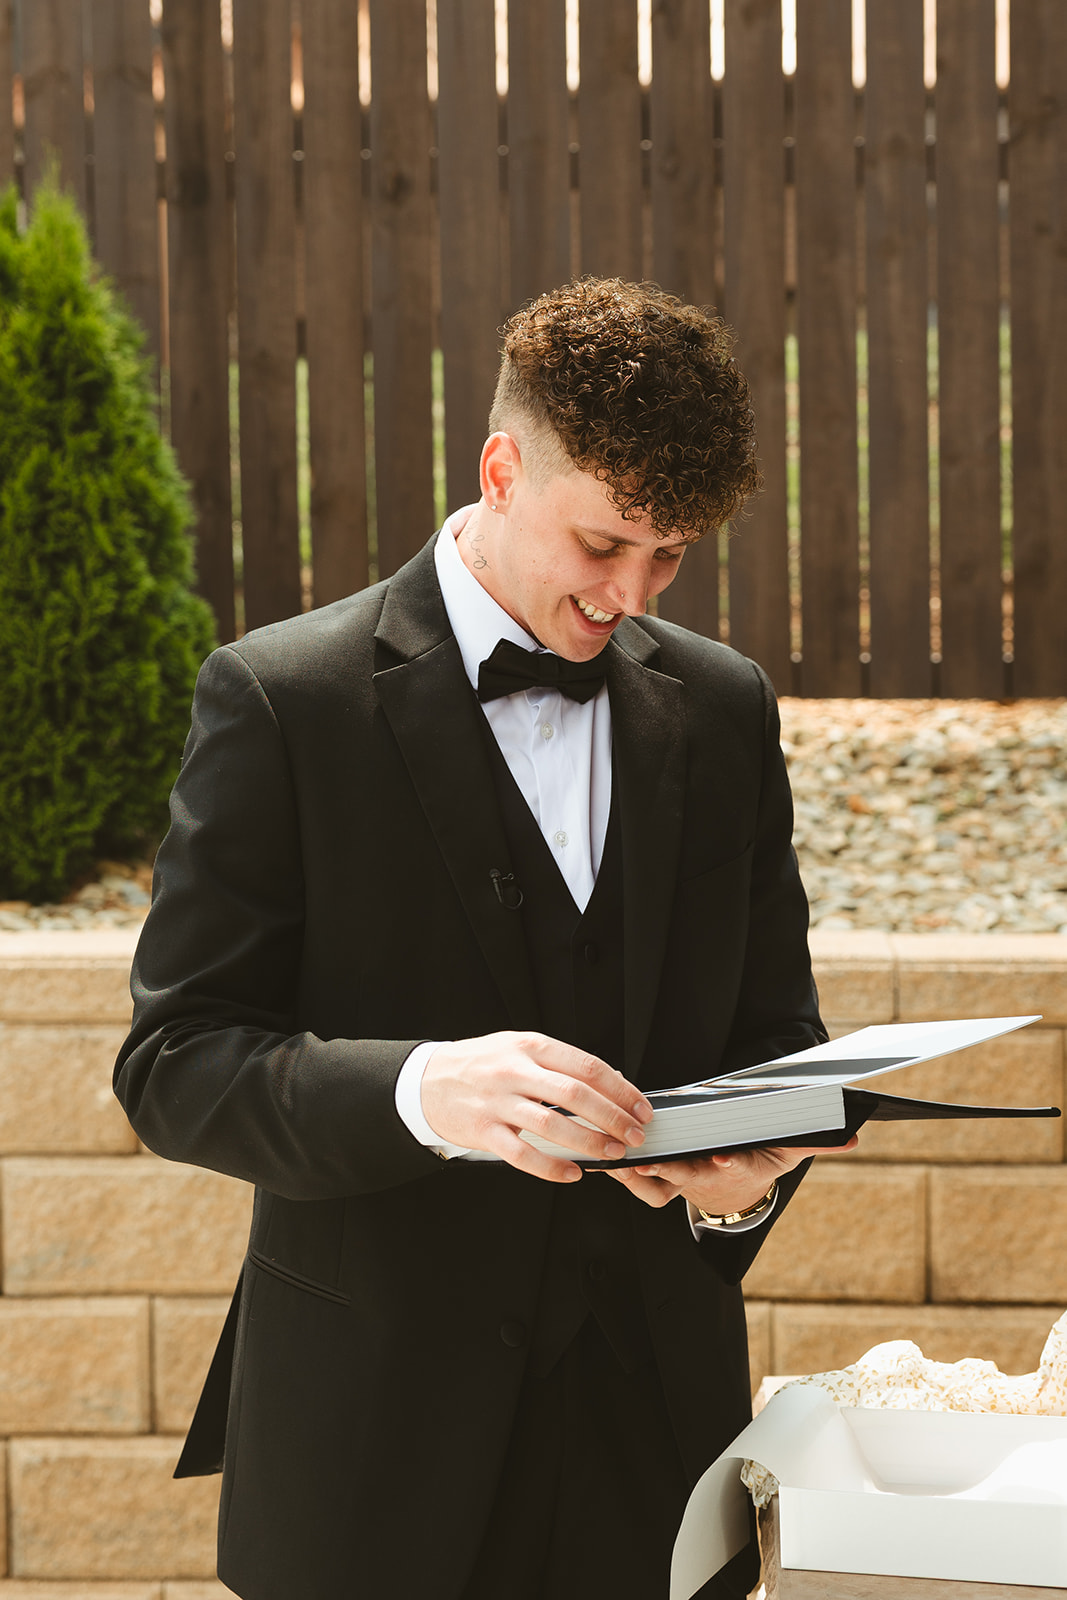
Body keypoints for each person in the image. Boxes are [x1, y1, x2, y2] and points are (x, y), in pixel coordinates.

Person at [115, 277, 846, 1600]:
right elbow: (175, 1064)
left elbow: (777, 1040)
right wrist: (423, 1090)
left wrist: (744, 1188)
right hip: (374, 1454)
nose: (631, 592)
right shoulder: (282, 703)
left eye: (670, 554)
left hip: (658, 1455)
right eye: (605, 543)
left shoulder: (726, 708)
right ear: (501, 469)